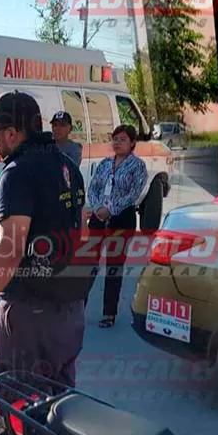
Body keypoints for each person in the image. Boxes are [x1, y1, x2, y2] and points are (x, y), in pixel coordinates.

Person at [0, 91, 90, 383]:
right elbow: (82, 232)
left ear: (12, 134)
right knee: (59, 408)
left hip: (30, 317)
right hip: (70, 312)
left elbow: (9, 251)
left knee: (20, 406)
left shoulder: (16, 174)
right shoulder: (67, 166)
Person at [86, 124, 148, 328]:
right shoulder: (104, 163)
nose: (117, 143)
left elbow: (134, 193)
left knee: (114, 265)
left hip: (122, 218)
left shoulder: (137, 165)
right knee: (88, 263)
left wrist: (110, 210)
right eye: (115, 139)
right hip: (98, 217)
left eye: (122, 139)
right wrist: (97, 208)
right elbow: (93, 187)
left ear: (132, 143)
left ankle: (109, 313)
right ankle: (78, 308)